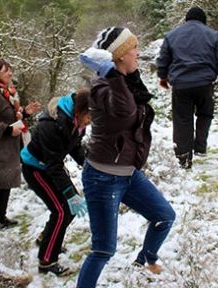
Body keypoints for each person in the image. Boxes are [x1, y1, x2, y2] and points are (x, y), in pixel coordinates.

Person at [77, 27, 176, 288]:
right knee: (103, 250)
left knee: (165, 216)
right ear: (118, 56)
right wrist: (109, 73)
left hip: (128, 173)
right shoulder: (102, 87)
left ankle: (145, 260)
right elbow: (124, 110)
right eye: (133, 48)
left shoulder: (129, 81)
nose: (138, 52)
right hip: (102, 178)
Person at [20, 89, 91, 276]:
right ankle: (47, 261)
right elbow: (54, 166)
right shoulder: (50, 126)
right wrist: (70, 194)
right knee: (62, 210)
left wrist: (88, 165)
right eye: (90, 115)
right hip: (36, 168)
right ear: (80, 111)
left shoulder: (75, 122)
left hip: (50, 166)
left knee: (69, 208)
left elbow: (74, 146)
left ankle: (47, 237)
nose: (91, 120)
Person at [156, 6, 218, 169]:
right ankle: (200, 146)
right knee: (205, 113)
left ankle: (184, 158)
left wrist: (162, 77)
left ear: (186, 19)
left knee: (182, 120)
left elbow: (163, 59)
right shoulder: (213, 36)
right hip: (205, 84)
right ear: (203, 20)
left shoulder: (171, 36)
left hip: (181, 85)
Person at [0, 59, 41, 230]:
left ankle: (2, 217)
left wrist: (25, 112)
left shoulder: (8, 93)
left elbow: (11, 116)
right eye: (6, 70)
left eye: (10, 69)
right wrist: (7, 130)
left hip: (9, 146)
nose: (10, 73)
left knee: (5, 181)